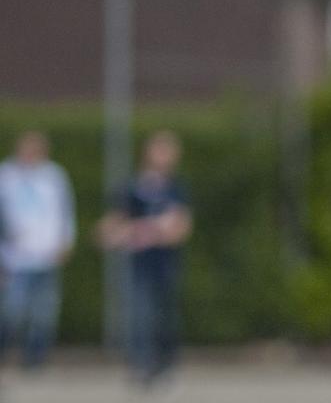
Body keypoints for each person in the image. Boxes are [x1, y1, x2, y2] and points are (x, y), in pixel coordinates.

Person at [97, 131, 192, 386]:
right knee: (139, 313)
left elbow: (180, 229)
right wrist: (119, 232)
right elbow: (113, 225)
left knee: (165, 315)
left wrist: (150, 230)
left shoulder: (176, 188)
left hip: (165, 263)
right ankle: (140, 364)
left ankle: (165, 364)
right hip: (138, 263)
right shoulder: (132, 187)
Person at [0, 130, 76, 368]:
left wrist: (66, 240)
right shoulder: (6, 175)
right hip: (16, 256)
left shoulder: (54, 176)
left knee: (44, 311)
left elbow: (65, 211)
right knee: (14, 309)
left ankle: (35, 358)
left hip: (47, 254)